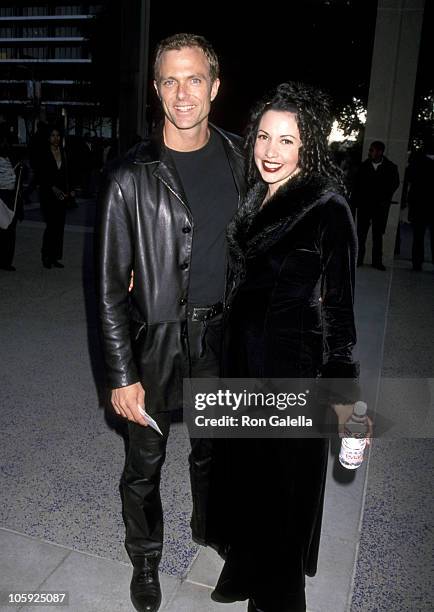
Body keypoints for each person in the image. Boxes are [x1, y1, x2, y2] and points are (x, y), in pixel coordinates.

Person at [96, 33, 245, 612]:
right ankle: (147, 559)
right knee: (145, 463)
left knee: (214, 450)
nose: (182, 93)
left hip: (219, 337)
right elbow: (109, 288)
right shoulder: (129, 176)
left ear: (214, 86)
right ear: (157, 89)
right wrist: (120, 372)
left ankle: (211, 530)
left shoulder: (241, 159)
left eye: (194, 79)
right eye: (169, 80)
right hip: (153, 342)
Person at [209, 82, 360, 612]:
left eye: (287, 141)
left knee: (281, 495)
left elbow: (339, 310)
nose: (271, 152)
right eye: (264, 138)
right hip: (241, 364)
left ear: (308, 146)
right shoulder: (255, 196)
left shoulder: (327, 206)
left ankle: (274, 596)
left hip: (290, 374)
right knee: (244, 479)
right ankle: (243, 565)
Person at [351, 140, 399, 270]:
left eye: (372, 150)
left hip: (380, 207)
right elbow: (356, 186)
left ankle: (377, 262)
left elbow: (394, 184)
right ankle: (359, 259)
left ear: (380, 152)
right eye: (370, 150)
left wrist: (383, 197)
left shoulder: (391, 168)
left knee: (378, 235)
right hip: (364, 206)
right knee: (361, 234)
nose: (370, 153)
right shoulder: (363, 166)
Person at [37, 127, 75, 269]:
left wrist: (70, 190)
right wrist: (52, 187)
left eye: (58, 135)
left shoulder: (64, 153)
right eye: (53, 135)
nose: (56, 138)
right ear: (48, 138)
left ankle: (55, 257)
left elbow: (68, 173)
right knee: (51, 226)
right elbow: (41, 175)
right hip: (48, 195)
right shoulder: (44, 154)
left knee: (59, 227)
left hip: (61, 196)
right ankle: (46, 255)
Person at [406, 139, 434, 271]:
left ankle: (417, 262)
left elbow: (410, 178)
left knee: (418, 236)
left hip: (419, 204)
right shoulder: (419, 162)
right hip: (424, 204)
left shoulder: (417, 162)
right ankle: (419, 262)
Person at [0, 138, 23, 271]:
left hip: (11, 198)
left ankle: (6, 261)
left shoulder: (12, 161)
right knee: (2, 230)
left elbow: (19, 181)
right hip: (1, 196)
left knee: (9, 231)